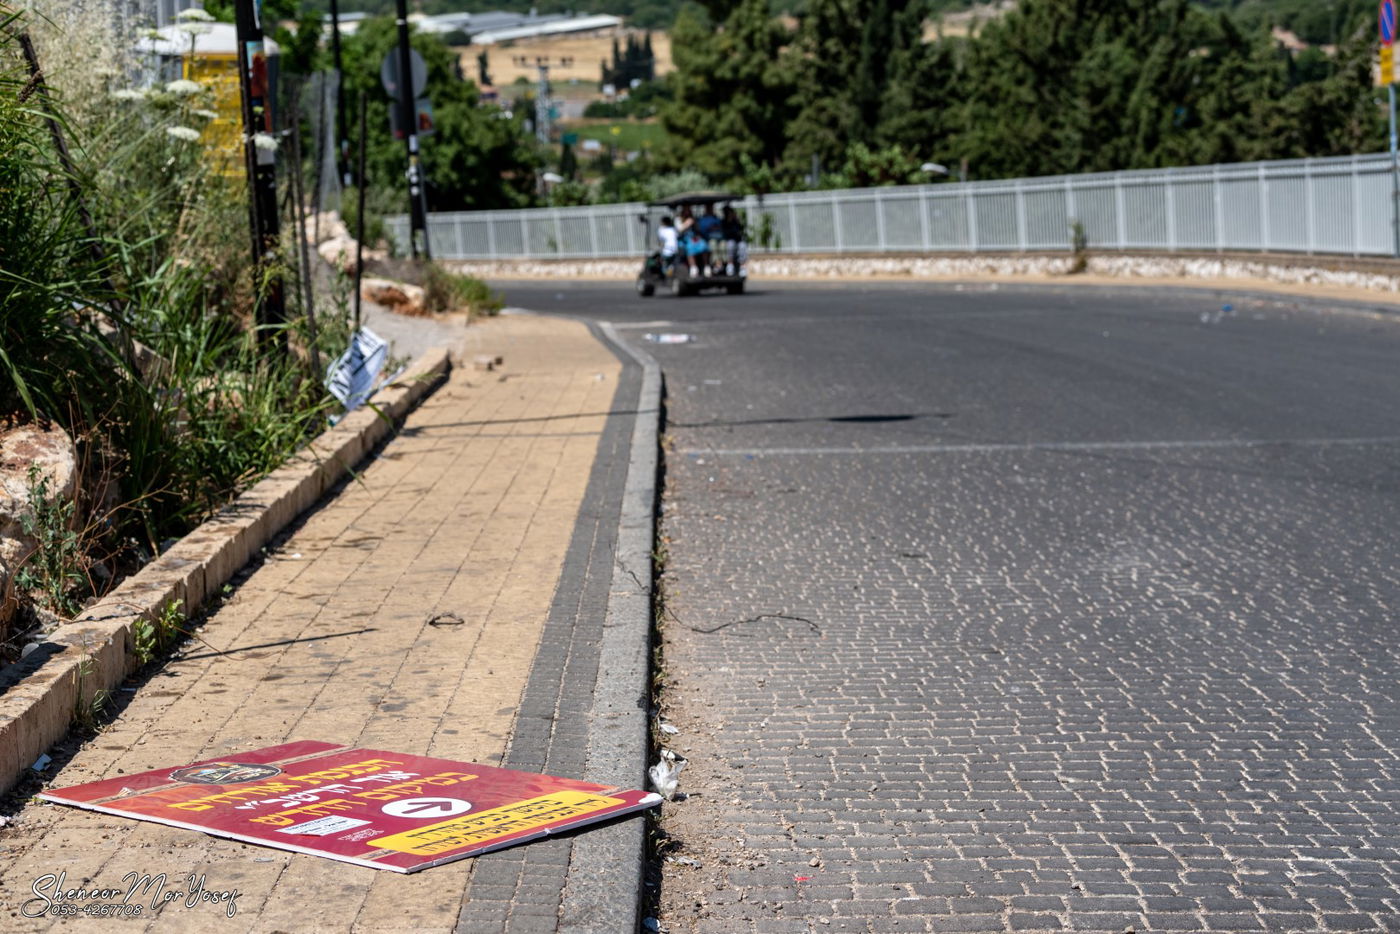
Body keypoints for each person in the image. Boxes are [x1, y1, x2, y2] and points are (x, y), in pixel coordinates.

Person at [721, 206, 745, 276]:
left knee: (742, 246)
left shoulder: (736, 221)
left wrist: (737, 220)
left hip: (737, 240)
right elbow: (726, 233)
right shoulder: (724, 222)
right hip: (729, 240)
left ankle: (742, 267)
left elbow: (741, 229)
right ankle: (730, 265)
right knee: (730, 245)